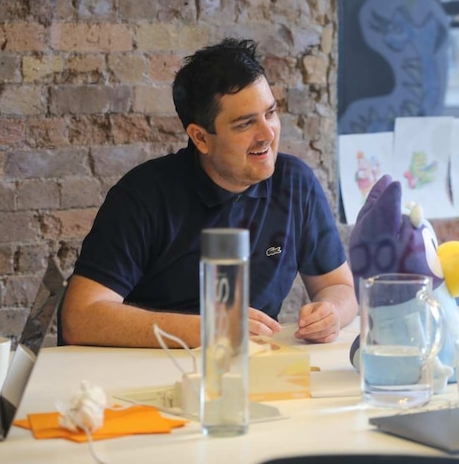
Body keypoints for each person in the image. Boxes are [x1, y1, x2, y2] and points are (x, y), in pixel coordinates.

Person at [60, 38, 358, 348]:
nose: (267, 134)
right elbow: (80, 318)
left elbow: (339, 286)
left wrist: (331, 312)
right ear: (201, 138)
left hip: (254, 373)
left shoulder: (296, 183)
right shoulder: (143, 195)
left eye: (270, 113)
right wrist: (211, 330)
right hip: (151, 374)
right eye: (245, 124)